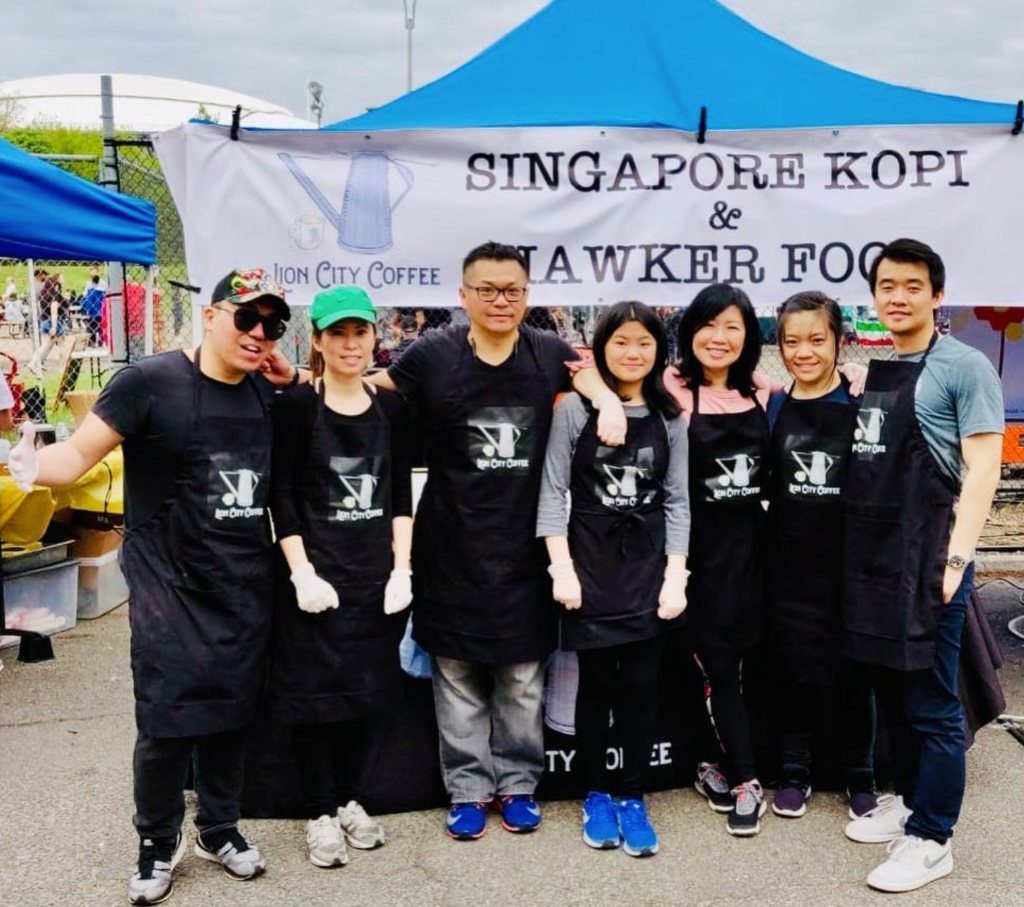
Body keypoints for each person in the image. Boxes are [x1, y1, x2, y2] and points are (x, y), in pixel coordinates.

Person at [7, 267, 302, 905]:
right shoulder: (149, 382)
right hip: (169, 583)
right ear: (211, 315)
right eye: (246, 317)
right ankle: (155, 841)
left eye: (272, 325)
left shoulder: (264, 393)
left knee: (231, 712)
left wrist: (294, 377)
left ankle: (218, 828)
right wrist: (34, 467)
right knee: (168, 720)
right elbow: (77, 456)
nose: (259, 334)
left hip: (243, 579)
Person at [366, 241, 626, 840]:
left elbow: (587, 372)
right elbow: (373, 387)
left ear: (527, 295)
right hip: (449, 546)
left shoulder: (546, 352)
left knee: (521, 677)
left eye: (512, 290)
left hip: (526, 549)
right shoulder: (432, 354)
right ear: (463, 296)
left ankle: (517, 786)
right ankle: (467, 790)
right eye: (486, 290)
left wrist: (607, 399)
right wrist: (301, 380)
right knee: (455, 675)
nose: (500, 301)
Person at [841, 239, 1003, 893]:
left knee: (935, 703)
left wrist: (956, 560)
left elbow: (984, 465)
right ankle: (908, 801)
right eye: (887, 285)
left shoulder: (964, 365)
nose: (898, 296)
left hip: (934, 555)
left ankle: (934, 836)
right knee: (891, 690)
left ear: (938, 295)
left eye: (913, 285)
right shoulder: (882, 367)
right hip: (879, 559)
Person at [268, 286, 413, 869]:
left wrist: (403, 567)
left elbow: (401, 492)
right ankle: (320, 812)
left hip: (375, 576)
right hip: (315, 579)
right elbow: (281, 495)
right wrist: (301, 572)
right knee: (316, 700)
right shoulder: (298, 407)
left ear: (375, 337)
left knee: (366, 696)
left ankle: (352, 799)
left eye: (360, 333)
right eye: (338, 334)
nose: (351, 344)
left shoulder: (392, 409)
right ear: (319, 341)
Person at [537, 301, 689, 857]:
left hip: (647, 571)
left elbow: (677, 500)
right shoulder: (574, 412)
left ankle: (633, 796)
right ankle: (595, 794)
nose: (633, 353)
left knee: (641, 687)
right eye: (621, 342)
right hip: (589, 567)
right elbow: (553, 491)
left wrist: (676, 576)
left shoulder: (671, 415)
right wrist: (561, 567)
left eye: (644, 343)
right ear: (604, 348)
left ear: (659, 351)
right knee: (596, 688)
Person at [662, 283, 773, 837]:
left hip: (754, 551)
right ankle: (747, 778)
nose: (720, 338)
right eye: (709, 325)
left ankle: (718, 760)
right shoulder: (670, 389)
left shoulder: (763, 392)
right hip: (693, 554)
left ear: (749, 336)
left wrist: (853, 377)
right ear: (689, 332)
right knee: (717, 665)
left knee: (746, 665)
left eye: (733, 327)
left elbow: (823, 391)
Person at [764, 291, 877, 822]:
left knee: (855, 673)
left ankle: (861, 775)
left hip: (850, 565)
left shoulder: (861, 400)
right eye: (791, 341)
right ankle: (794, 771)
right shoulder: (773, 406)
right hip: (788, 564)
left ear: (839, 340)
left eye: (816, 339)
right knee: (791, 672)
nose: (803, 352)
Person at [27, 272, 67, 378]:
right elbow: (54, 311)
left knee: (44, 346)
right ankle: (62, 368)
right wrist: (54, 326)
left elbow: (41, 309)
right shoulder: (54, 296)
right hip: (54, 322)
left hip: (44, 321)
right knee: (62, 346)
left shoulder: (43, 295)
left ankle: (33, 362)